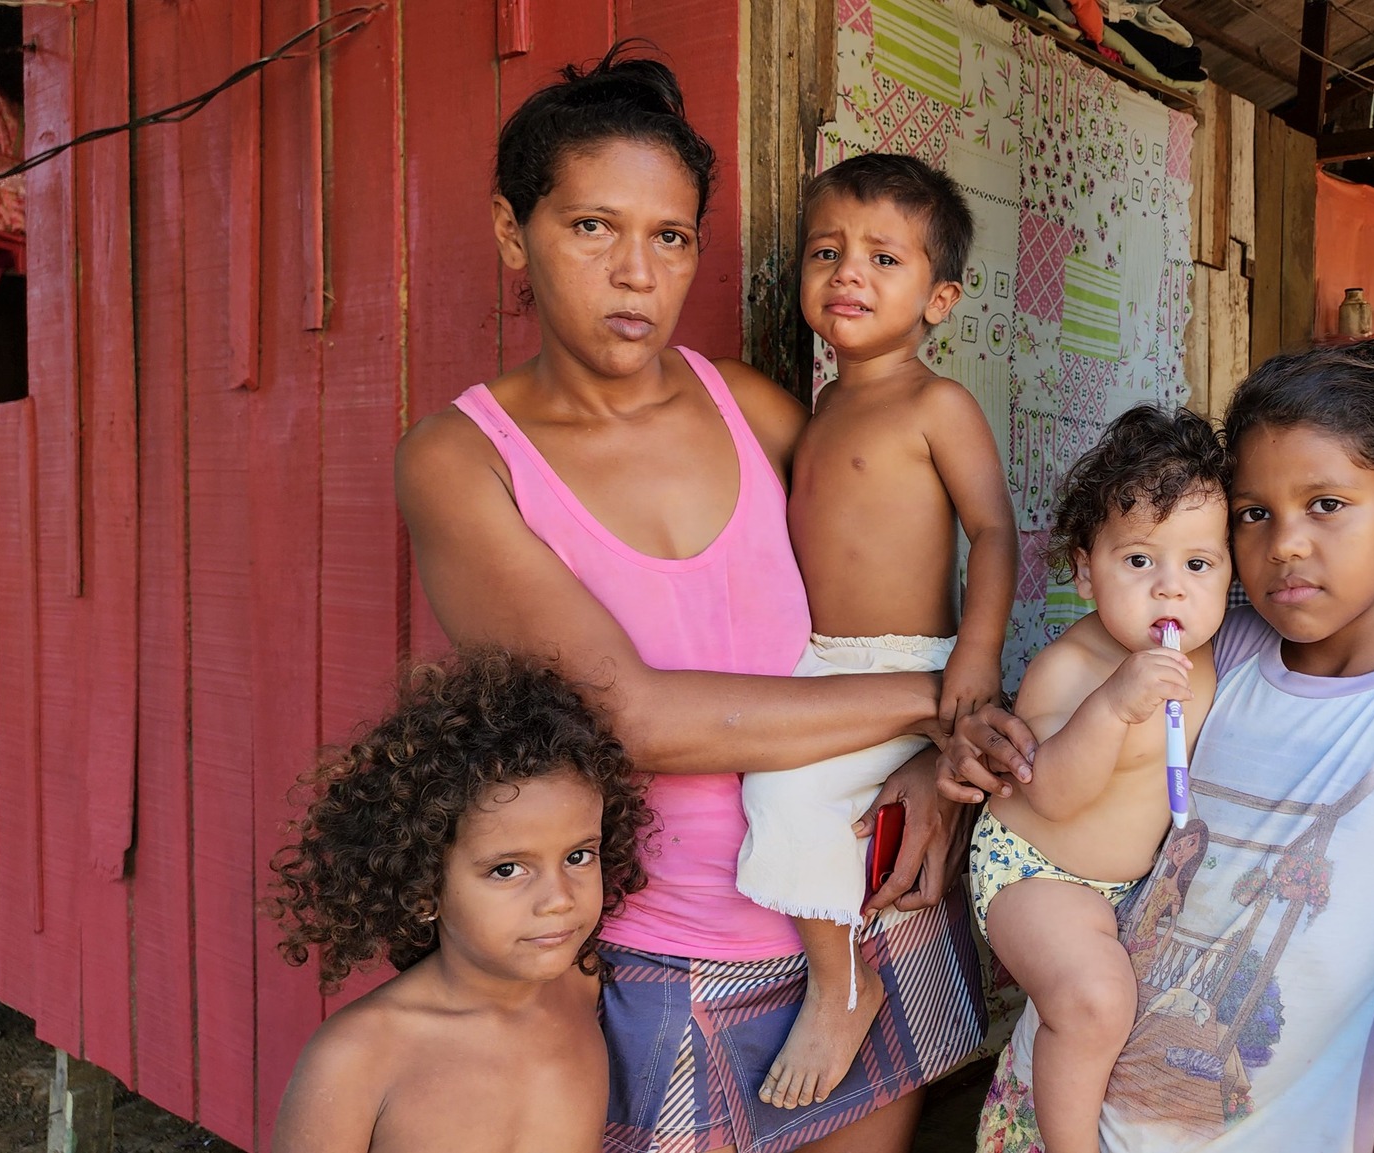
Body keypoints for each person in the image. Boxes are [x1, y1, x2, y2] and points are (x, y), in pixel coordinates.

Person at [394, 48, 984, 1153]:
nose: (635, 273)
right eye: (591, 227)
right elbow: (634, 719)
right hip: (672, 955)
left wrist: (934, 766)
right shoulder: (465, 461)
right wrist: (942, 700)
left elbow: (901, 576)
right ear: (512, 232)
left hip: (869, 905)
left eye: (669, 237)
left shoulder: (749, 407)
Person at [947, 347, 1374, 1153]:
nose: (1286, 543)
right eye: (1254, 514)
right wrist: (959, 744)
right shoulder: (1216, 647)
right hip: (1055, 1120)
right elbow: (1068, 705)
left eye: (1326, 504)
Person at [735, 152, 1017, 1112]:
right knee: (768, 779)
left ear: (940, 299)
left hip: (910, 661)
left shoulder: (936, 403)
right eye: (827, 251)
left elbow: (993, 531)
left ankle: (842, 985)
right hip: (826, 664)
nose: (848, 272)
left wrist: (975, 653)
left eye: (883, 259)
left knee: (784, 792)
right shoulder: (822, 406)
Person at [967, 405, 1228, 1153]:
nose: (1170, 590)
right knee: (1094, 1000)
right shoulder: (1071, 667)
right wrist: (1113, 706)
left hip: (1128, 887)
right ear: (1086, 571)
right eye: (1139, 561)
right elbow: (1051, 792)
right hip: (1037, 871)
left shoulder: (1215, 656)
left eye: (1198, 565)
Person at [267, 650, 654, 1153]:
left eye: (578, 856)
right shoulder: (358, 1056)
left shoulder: (586, 985)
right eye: (507, 869)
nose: (559, 900)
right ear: (423, 887)